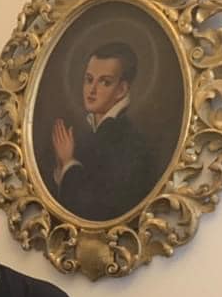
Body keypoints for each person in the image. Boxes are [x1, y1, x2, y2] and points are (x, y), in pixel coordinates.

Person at [51, 42, 153, 220]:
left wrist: (68, 162)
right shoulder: (94, 132)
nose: (92, 90)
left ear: (121, 90)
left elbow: (95, 208)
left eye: (105, 82)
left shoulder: (124, 138)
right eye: (89, 79)